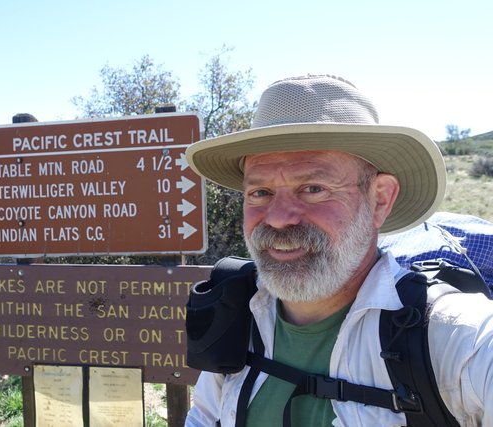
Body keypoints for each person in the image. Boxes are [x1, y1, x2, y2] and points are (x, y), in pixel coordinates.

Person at [183, 75, 493, 426]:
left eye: (313, 188)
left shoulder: (454, 337)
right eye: (260, 193)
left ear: (379, 200)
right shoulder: (240, 320)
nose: (280, 218)